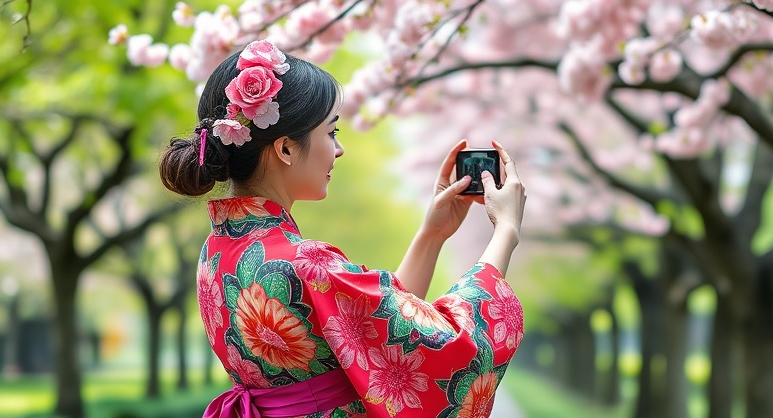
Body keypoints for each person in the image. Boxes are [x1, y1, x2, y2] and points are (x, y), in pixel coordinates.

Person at [158, 40, 527, 418]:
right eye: (331, 133)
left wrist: (432, 236)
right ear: (285, 149)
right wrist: (506, 232)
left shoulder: (217, 249)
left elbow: (370, 326)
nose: (339, 149)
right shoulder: (305, 262)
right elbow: (455, 348)